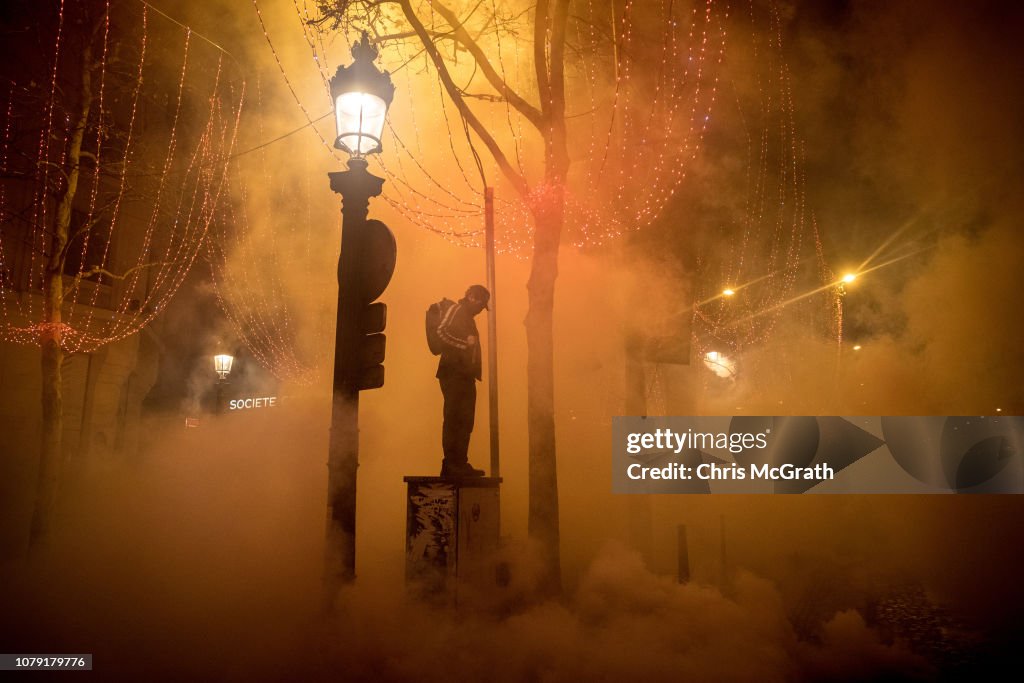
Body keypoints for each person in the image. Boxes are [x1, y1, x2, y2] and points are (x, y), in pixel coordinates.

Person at [435, 284, 490, 477]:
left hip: (466, 376)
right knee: (454, 419)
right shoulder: (456, 310)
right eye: (481, 305)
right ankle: (451, 464)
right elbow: (440, 332)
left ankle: (460, 463)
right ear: (472, 297)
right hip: (452, 374)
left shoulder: (468, 318)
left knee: (466, 420)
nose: (481, 310)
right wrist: (464, 344)